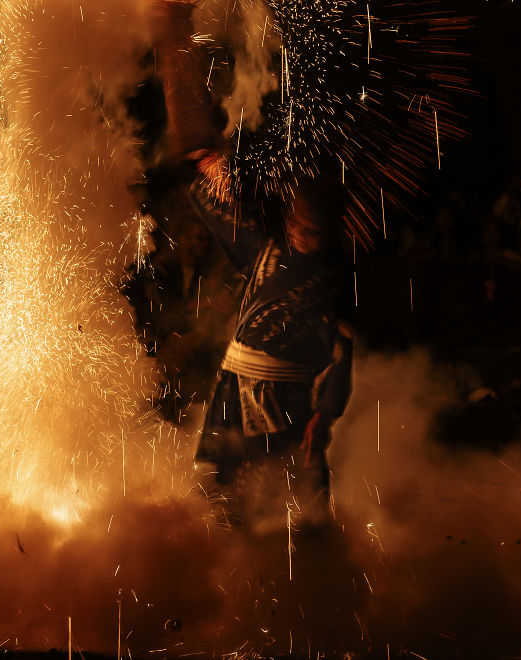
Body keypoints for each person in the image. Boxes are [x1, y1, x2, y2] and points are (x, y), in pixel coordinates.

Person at [152, 0, 353, 502]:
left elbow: (342, 349)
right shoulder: (263, 247)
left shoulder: (335, 278)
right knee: (222, 496)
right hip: (234, 389)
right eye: (299, 219)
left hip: (286, 399)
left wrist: (324, 416)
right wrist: (174, 34)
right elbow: (201, 159)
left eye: (313, 223)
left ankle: (313, 566)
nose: (303, 228)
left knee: (291, 496)